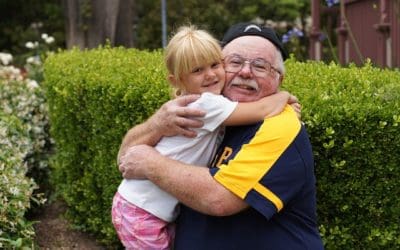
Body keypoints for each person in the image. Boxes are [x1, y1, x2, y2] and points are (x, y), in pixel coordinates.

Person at [118, 22, 324, 249]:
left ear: (278, 79)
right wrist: (156, 125)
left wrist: (149, 163)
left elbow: (219, 199)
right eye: (234, 62)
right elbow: (125, 157)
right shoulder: (203, 111)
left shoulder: (280, 126)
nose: (245, 72)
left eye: (260, 66)